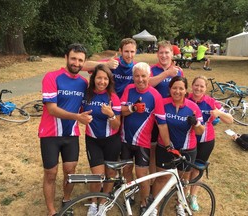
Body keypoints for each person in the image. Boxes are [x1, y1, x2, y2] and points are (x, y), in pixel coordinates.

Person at [38, 43, 93, 216]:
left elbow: (85, 107)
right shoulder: (51, 77)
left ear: (84, 62)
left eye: (80, 60)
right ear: (66, 58)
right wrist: (78, 117)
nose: (76, 63)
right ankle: (51, 211)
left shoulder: (84, 83)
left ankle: (66, 200)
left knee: (70, 171)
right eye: (74, 58)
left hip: (71, 135)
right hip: (50, 135)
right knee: (50, 174)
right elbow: (52, 109)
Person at [120, 62, 171, 215]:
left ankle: (144, 203)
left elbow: (162, 124)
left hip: (142, 143)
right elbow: (121, 111)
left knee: (142, 175)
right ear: (133, 77)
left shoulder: (155, 96)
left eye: (143, 76)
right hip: (125, 140)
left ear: (149, 77)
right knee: (127, 170)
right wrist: (133, 108)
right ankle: (130, 196)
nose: (140, 79)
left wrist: (168, 146)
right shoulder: (128, 89)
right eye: (137, 76)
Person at [151, 76, 205, 216]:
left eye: (181, 88)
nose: (177, 91)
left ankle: (180, 204)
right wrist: (169, 146)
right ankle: (154, 206)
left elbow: (200, 131)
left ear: (186, 90)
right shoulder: (162, 103)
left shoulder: (193, 107)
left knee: (184, 180)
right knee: (162, 178)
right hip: (165, 147)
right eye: (174, 88)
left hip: (187, 149)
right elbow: (160, 125)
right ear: (170, 89)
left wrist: (196, 123)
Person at [187, 76, 233, 211]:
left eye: (202, 86)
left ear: (206, 88)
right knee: (185, 169)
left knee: (197, 169)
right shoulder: (186, 98)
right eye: (196, 85)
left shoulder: (211, 102)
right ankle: (182, 195)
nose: (198, 88)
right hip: (187, 140)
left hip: (206, 141)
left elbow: (230, 120)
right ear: (192, 85)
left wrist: (218, 113)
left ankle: (193, 196)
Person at [82, 64, 122, 216]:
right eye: (99, 77)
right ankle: (93, 202)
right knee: (97, 176)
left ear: (109, 81)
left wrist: (111, 114)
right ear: (94, 79)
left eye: (105, 79)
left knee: (110, 174)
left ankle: (103, 203)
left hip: (112, 140)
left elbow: (117, 125)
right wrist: (82, 119)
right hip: (93, 140)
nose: (102, 81)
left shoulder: (113, 97)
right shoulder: (86, 95)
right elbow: (80, 115)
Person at [148, 40, 184, 188]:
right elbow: (148, 83)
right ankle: (151, 180)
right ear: (157, 54)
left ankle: (167, 178)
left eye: (167, 52)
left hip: (171, 117)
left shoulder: (179, 71)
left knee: (169, 146)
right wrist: (167, 73)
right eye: (161, 52)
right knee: (152, 148)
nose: (164, 55)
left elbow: (182, 90)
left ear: (172, 54)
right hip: (153, 115)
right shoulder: (152, 69)